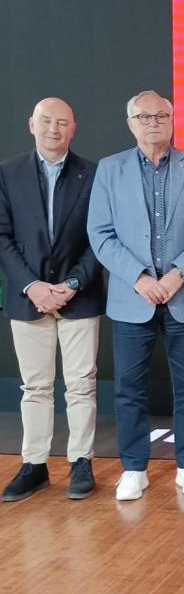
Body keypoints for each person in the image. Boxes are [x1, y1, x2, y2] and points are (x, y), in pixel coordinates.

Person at [87, 90, 184, 501]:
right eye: (144, 117)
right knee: (129, 389)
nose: (153, 123)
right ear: (130, 124)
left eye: (161, 115)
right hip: (134, 298)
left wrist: (178, 275)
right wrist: (140, 279)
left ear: (172, 119)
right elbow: (100, 234)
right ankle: (133, 468)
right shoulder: (110, 169)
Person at [0, 98, 104, 501]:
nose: (53, 129)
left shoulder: (94, 174)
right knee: (35, 387)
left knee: (81, 385)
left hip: (80, 295)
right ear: (31, 124)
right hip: (29, 298)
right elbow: (3, 237)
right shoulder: (7, 173)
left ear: (73, 128)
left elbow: (101, 236)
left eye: (62, 122)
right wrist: (33, 285)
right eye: (46, 121)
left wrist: (73, 283)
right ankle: (34, 465)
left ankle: (81, 462)